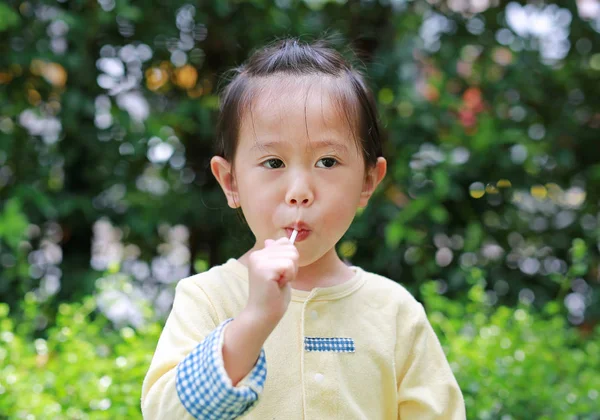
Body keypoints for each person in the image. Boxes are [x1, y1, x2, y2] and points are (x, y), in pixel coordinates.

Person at [141, 38, 466, 419]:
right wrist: (253, 322)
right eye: (273, 162)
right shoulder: (208, 299)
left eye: (327, 162)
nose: (299, 193)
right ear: (230, 182)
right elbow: (166, 413)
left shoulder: (394, 312)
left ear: (367, 181)